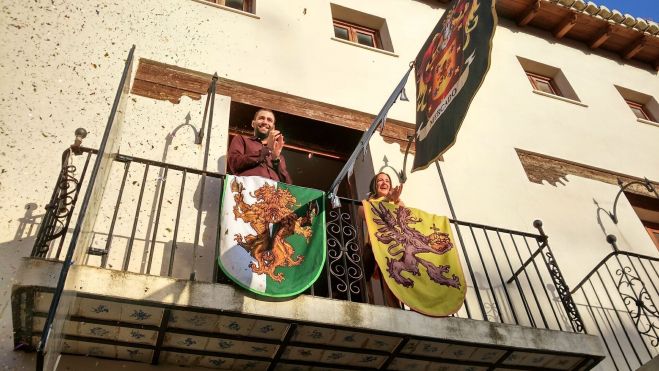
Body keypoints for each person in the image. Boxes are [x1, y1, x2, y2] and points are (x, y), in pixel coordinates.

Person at [359, 172, 404, 308]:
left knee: (392, 280)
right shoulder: (367, 203)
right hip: (373, 245)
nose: (384, 183)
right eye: (380, 180)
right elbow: (364, 214)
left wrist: (394, 201)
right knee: (363, 276)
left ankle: (396, 309)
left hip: (393, 247)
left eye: (387, 181)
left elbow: (403, 219)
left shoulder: (398, 201)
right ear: (374, 185)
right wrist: (386, 201)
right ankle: (364, 304)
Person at [227, 108, 292, 183]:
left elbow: (288, 185)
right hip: (248, 191)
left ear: (273, 128)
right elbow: (234, 164)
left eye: (269, 120)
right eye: (261, 118)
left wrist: (276, 160)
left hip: (272, 194)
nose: (265, 122)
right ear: (253, 123)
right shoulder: (241, 139)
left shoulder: (279, 156)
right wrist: (267, 150)